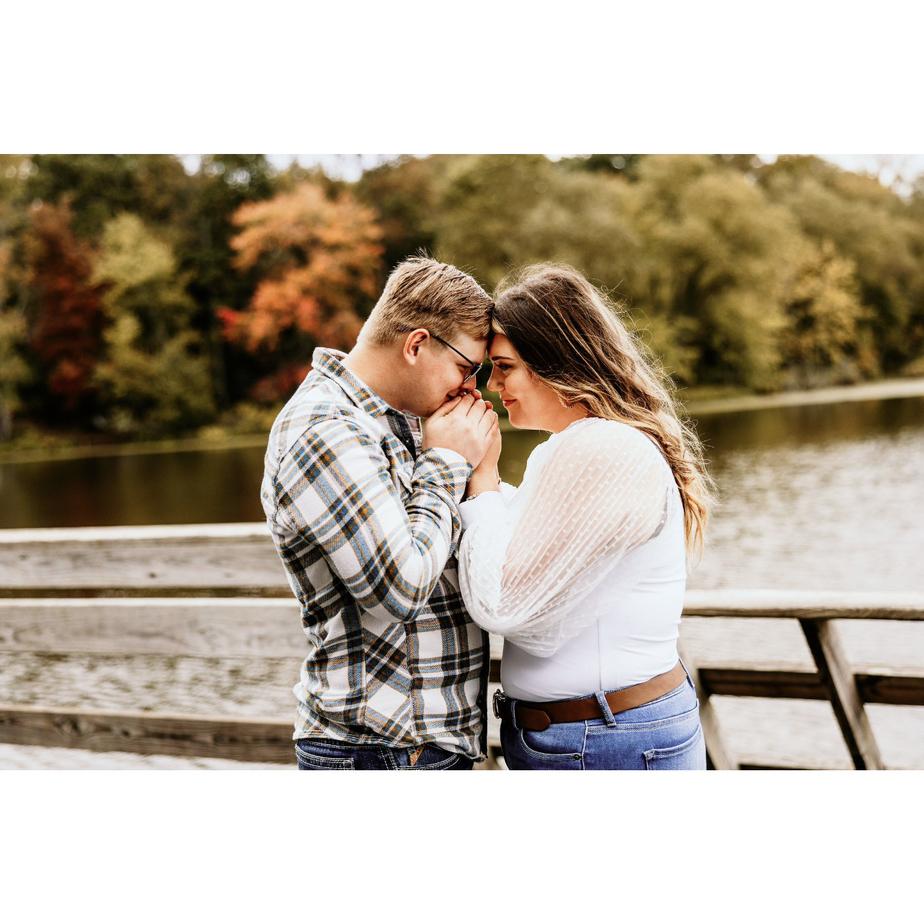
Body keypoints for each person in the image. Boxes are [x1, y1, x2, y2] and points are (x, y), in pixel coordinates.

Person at [457, 264, 714, 770]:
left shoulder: (604, 448)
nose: (493, 384)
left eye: (505, 366)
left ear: (555, 363)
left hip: (604, 740)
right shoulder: (583, 445)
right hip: (596, 735)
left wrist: (483, 479)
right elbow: (532, 541)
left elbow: (504, 607)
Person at [261, 256, 499, 770]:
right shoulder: (325, 430)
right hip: (377, 751)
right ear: (416, 345)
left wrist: (477, 470)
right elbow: (400, 589)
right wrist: (448, 462)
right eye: (466, 367)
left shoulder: (406, 420)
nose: (471, 389)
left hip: (418, 748)